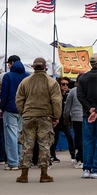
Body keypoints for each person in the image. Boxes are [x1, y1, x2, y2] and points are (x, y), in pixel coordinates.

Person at [14, 56, 62, 184]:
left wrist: (24, 112)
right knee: (44, 145)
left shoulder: (25, 82)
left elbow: (19, 100)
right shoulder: (52, 82)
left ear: (33, 67)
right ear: (45, 67)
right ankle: (44, 174)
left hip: (28, 116)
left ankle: (24, 174)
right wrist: (56, 116)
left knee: (27, 145)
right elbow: (56, 101)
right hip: (45, 117)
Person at [0, 55, 28, 171]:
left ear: (11, 63)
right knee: (21, 134)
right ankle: (22, 160)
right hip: (24, 109)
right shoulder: (27, 77)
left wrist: (3, 106)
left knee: (11, 135)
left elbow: (4, 94)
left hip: (10, 108)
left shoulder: (8, 76)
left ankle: (13, 162)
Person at [51, 77, 77, 164]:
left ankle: (73, 155)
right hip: (56, 118)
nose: (65, 86)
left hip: (65, 119)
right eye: (63, 84)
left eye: (67, 84)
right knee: (55, 138)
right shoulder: (56, 94)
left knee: (69, 136)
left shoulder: (69, 94)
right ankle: (52, 155)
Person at [64, 74, 85, 168]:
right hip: (88, 117)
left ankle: (80, 158)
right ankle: (83, 157)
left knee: (79, 138)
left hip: (76, 118)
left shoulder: (73, 91)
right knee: (87, 138)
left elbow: (67, 106)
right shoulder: (89, 91)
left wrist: (65, 117)